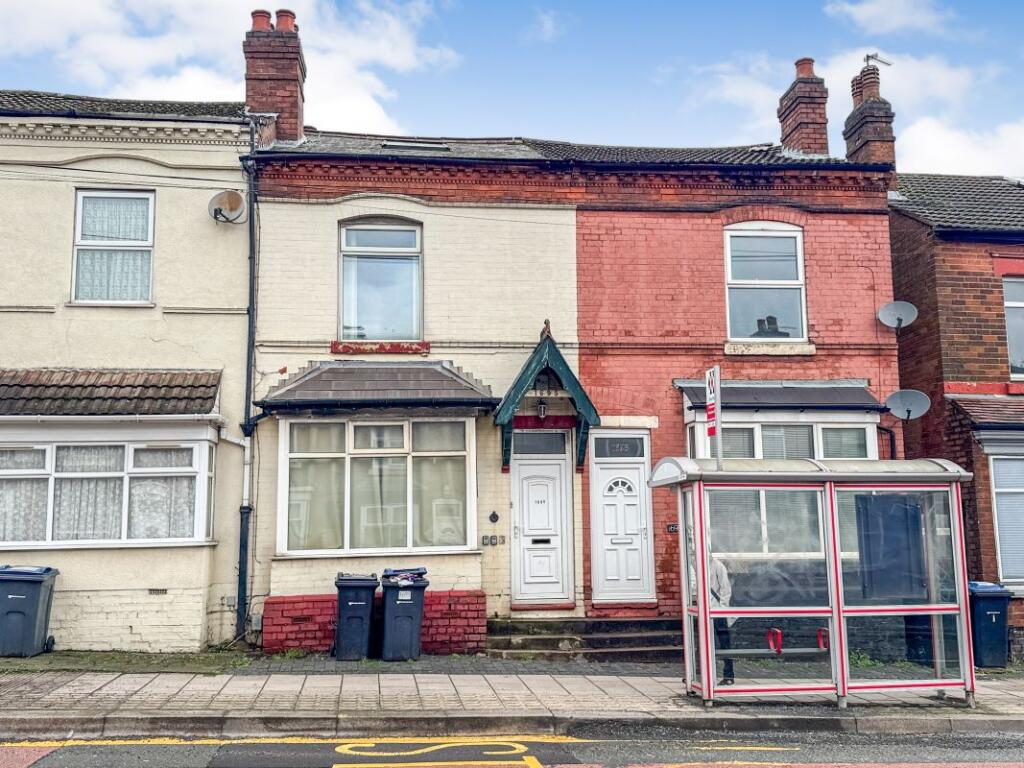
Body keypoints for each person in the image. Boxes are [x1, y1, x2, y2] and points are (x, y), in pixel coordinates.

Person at [709, 558, 735, 685]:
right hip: (704, 611)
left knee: (724, 643)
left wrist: (723, 609)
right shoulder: (694, 564)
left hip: (717, 611)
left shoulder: (717, 565)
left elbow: (726, 588)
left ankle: (728, 675)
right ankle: (700, 675)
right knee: (703, 644)